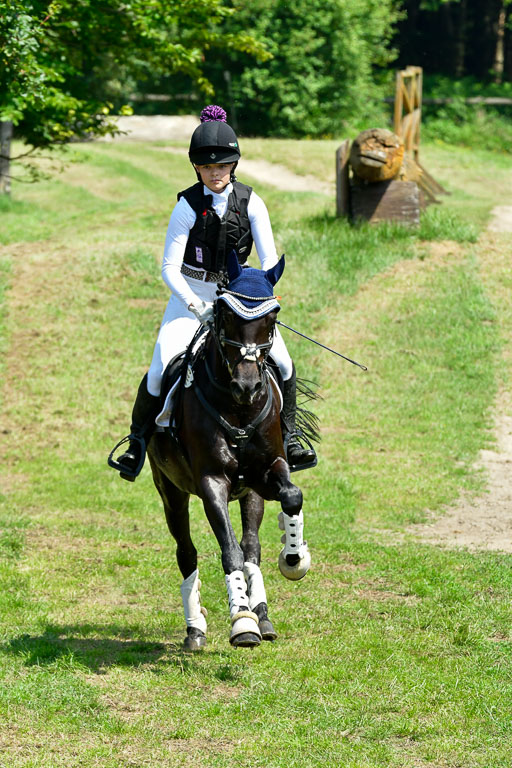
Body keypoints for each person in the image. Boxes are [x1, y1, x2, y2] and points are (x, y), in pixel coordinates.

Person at [111, 105, 316, 481]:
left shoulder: (253, 202)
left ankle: (292, 437)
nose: (215, 174)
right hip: (191, 294)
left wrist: (255, 299)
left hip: (239, 300)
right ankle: (137, 443)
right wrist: (194, 304)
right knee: (159, 369)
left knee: (284, 364)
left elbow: (269, 262)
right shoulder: (187, 206)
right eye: (207, 168)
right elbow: (169, 267)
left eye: (221, 167)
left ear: (233, 165)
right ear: (196, 169)